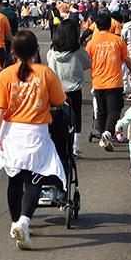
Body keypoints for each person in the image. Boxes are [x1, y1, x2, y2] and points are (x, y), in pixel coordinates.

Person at [0, 29, 68, 250]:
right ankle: (24, 221)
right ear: (35, 50)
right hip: (36, 133)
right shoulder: (45, 73)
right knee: (35, 178)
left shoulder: (5, 75)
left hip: (11, 133)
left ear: (13, 51)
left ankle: (15, 223)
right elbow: (59, 101)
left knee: (14, 180)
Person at [86, 12, 131, 151]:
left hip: (97, 82)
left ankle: (103, 134)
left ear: (96, 25)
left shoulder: (91, 43)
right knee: (115, 109)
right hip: (114, 82)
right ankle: (107, 133)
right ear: (110, 25)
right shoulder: (117, 40)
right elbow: (126, 58)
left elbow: (87, 61)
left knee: (101, 111)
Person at [48, 16, 91, 157]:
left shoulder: (51, 52)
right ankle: (75, 147)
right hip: (74, 89)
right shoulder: (77, 51)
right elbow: (88, 64)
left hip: (56, 90)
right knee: (76, 118)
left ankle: (56, 145)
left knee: (56, 119)